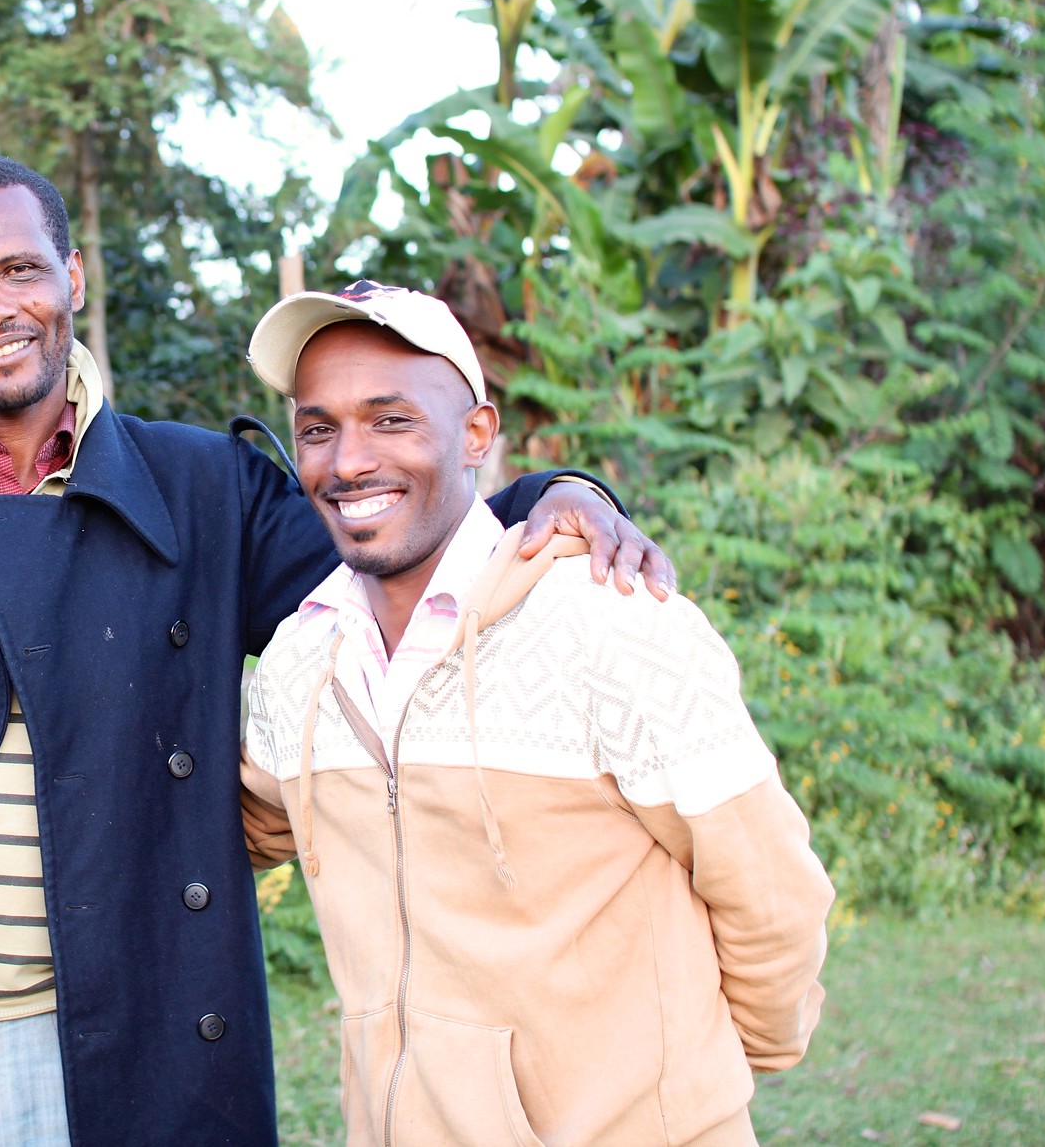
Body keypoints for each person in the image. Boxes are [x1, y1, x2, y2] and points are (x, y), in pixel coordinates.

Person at [0, 156, 675, 1147]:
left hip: (111, 1049)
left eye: (19, 269)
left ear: (72, 278)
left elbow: (396, 540)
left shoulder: (201, 490)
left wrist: (555, 494)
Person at [239, 282, 835, 1147]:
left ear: (476, 434)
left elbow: (767, 888)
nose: (348, 460)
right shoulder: (299, 660)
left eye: (391, 418)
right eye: (318, 428)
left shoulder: (609, 616)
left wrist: (688, 1090)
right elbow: (239, 826)